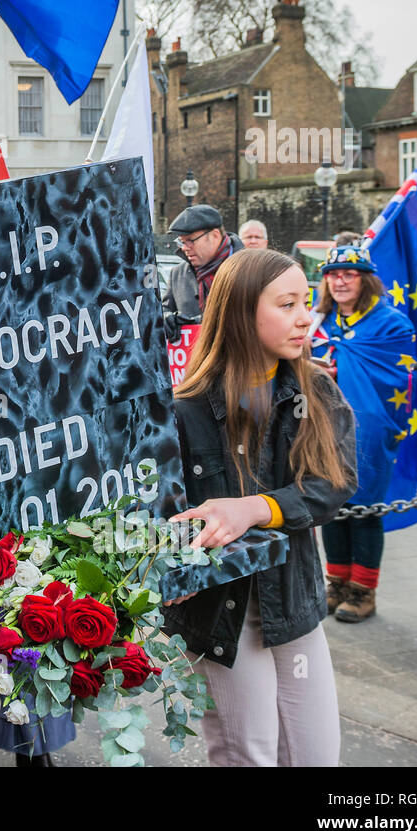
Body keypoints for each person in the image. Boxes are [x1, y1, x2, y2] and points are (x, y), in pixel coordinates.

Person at [162, 248, 356, 767]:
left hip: (294, 600)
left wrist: (257, 508)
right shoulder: (185, 410)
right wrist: (171, 572)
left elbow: (333, 484)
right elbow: (161, 512)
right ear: (244, 312)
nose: (304, 317)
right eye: (288, 304)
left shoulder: (316, 392)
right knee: (248, 753)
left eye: (306, 302)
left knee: (316, 754)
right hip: (221, 612)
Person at [311, 245, 414, 623]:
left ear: (365, 279)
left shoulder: (391, 324)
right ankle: (336, 582)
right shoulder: (318, 321)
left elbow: (395, 379)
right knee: (331, 506)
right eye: (333, 274)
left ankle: (363, 591)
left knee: (364, 508)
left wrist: (343, 366)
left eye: (348, 274)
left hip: (369, 428)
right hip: (323, 427)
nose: (339, 280)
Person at [162, 205, 244, 342]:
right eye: (181, 242)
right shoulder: (177, 274)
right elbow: (163, 309)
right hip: (193, 360)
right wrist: (166, 318)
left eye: (190, 240)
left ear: (215, 235)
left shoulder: (249, 268)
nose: (185, 248)